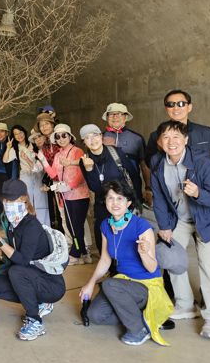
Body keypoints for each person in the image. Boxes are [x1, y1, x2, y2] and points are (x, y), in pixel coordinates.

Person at [150, 120, 210, 340]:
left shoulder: (203, 164)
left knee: (207, 265)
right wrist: (164, 226)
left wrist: (198, 194)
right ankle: (185, 304)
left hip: (208, 221)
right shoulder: (158, 165)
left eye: (176, 137)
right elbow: (159, 201)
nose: (171, 142)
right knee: (173, 259)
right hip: (181, 221)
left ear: (186, 140)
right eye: (166, 137)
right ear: (159, 142)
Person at [79, 181, 173, 346]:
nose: (115, 203)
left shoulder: (141, 226)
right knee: (95, 315)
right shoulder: (105, 226)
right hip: (122, 284)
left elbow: (152, 268)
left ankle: (139, 330)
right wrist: (90, 283)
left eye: (120, 198)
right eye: (110, 198)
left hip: (146, 285)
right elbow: (106, 259)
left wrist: (144, 253)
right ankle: (143, 316)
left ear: (128, 203)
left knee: (109, 284)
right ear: (105, 202)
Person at [0, 179, 66, 341]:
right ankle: (38, 304)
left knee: (16, 271)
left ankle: (35, 321)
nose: (9, 204)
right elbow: (14, 254)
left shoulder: (31, 225)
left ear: (24, 199)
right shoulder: (12, 225)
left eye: (14, 200)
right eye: (6, 200)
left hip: (50, 285)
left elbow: (22, 260)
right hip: (29, 278)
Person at [79, 123, 139, 256]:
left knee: (126, 237)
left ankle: (126, 268)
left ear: (101, 136)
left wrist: (137, 201)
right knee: (103, 236)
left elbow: (133, 175)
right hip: (103, 205)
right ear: (84, 142)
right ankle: (110, 269)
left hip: (124, 204)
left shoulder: (115, 152)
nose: (92, 140)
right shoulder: (84, 161)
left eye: (95, 135)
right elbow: (95, 188)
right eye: (87, 138)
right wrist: (89, 170)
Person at [145, 89, 210, 175]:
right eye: (170, 104)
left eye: (181, 104)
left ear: (189, 107)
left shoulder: (205, 132)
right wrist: (161, 151)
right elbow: (150, 162)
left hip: (202, 187)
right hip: (170, 187)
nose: (176, 108)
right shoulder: (156, 136)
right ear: (166, 109)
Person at [41, 124, 91, 265]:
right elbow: (53, 173)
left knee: (76, 225)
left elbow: (82, 173)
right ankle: (84, 254)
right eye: (58, 136)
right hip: (65, 196)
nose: (61, 139)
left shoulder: (77, 151)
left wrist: (69, 185)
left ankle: (76, 253)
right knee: (71, 225)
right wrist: (44, 161)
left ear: (70, 136)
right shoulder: (58, 155)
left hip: (79, 195)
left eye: (64, 135)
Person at [101, 103, 149, 204]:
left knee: (133, 217)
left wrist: (148, 188)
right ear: (107, 117)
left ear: (125, 117)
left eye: (119, 114)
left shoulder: (137, 138)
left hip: (132, 188)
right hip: (107, 190)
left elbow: (144, 166)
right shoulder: (98, 139)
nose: (115, 117)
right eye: (111, 114)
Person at [3, 124, 48, 226]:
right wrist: (8, 147)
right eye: (16, 134)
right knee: (27, 200)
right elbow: (5, 160)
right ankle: (30, 225)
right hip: (25, 176)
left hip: (38, 175)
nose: (19, 136)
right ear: (13, 137)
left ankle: (44, 225)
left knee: (41, 201)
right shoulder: (15, 148)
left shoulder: (33, 144)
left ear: (25, 132)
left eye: (20, 132)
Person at [35, 112, 63, 233]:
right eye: (41, 125)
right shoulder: (44, 143)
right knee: (53, 208)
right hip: (51, 177)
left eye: (47, 124)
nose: (44, 127)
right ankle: (57, 235)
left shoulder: (60, 138)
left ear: (52, 125)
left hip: (63, 177)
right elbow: (43, 163)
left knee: (63, 209)